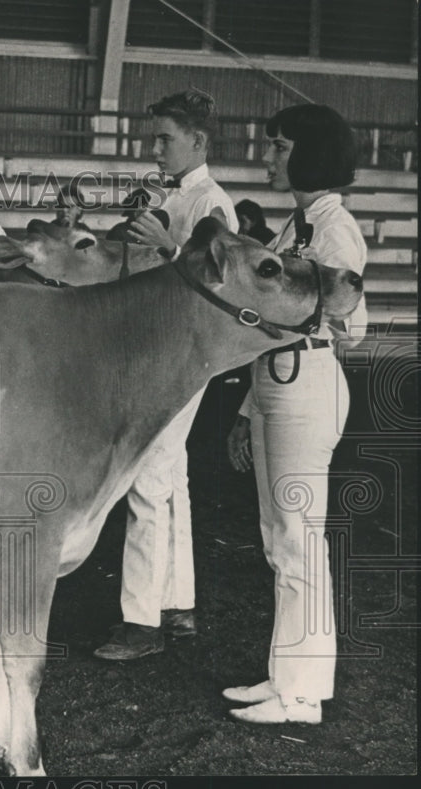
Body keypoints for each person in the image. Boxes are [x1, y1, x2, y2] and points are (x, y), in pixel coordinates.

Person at [223, 105, 367, 725]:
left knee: (298, 540)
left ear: (309, 152)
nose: (270, 157)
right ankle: (288, 675)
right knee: (282, 540)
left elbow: (353, 325)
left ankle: (302, 696)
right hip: (279, 383)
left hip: (307, 384)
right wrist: (247, 409)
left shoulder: (335, 231)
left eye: (279, 146)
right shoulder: (299, 224)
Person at [94, 89, 239, 661]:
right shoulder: (175, 195)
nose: (154, 149)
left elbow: (222, 285)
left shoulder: (212, 204)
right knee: (169, 478)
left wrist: (171, 246)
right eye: (154, 138)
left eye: (165, 139)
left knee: (148, 478)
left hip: (181, 355)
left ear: (197, 142)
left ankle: (140, 623)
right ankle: (177, 606)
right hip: (162, 350)